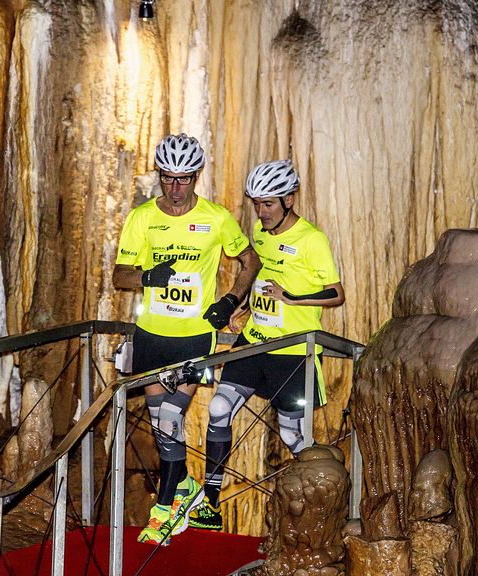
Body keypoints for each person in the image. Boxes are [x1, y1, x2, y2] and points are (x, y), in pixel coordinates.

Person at [113, 133, 261, 545]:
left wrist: (232, 298)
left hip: (192, 337)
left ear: (196, 177)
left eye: (183, 180)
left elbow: (251, 260)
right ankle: (186, 490)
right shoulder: (142, 217)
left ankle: (164, 511)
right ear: (159, 176)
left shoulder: (216, 218)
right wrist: (148, 277)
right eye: (167, 178)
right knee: (163, 428)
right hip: (151, 336)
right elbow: (119, 275)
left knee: (170, 419)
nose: (175, 188)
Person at [189, 159, 345, 532]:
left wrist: (291, 297)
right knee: (219, 409)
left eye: (269, 203)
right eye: (256, 203)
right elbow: (261, 272)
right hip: (255, 342)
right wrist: (240, 306)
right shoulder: (260, 231)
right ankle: (209, 504)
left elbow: (336, 294)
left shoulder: (312, 239)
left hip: (293, 352)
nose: (261, 211)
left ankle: (323, 509)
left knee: (294, 437)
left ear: (289, 200)